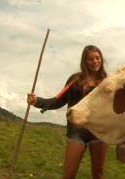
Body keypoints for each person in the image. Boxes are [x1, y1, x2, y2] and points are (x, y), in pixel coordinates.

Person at [27, 45, 108, 179]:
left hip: (98, 130)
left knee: (98, 174)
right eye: (90, 59)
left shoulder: (106, 82)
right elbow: (59, 100)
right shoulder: (75, 80)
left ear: (101, 59)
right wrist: (37, 101)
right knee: (69, 175)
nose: (95, 62)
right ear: (84, 62)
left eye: (97, 58)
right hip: (77, 130)